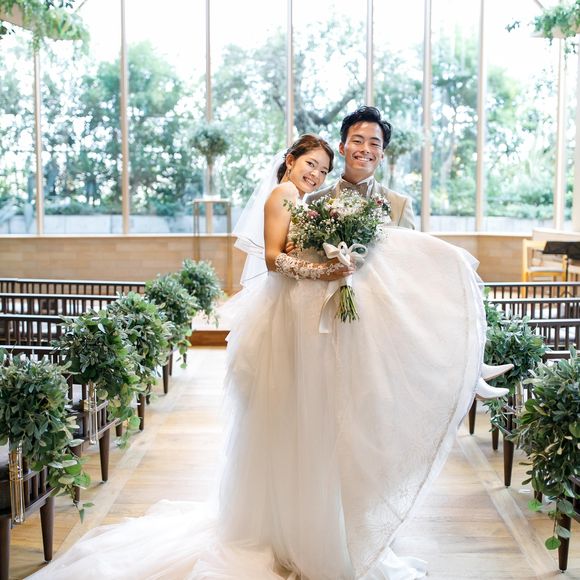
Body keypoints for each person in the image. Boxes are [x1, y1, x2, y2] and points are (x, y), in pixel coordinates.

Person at [30, 134, 487, 580]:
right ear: (290, 161)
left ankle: (306, 521)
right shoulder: (283, 196)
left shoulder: (308, 201)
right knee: (288, 414)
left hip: (310, 315)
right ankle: (290, 531)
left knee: (302, 418)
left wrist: (333, 268)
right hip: (290, 312)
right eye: (310, 164)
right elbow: (273, 258)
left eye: (322, 169)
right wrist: (324, 270)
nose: (316, 174)